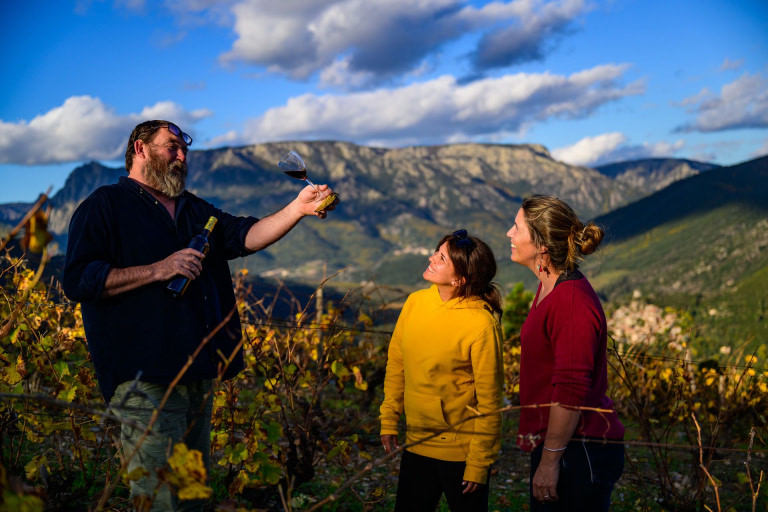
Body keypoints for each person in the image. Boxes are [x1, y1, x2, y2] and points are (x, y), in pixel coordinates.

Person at [62, 120, 338, 512]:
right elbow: (79, 279)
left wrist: (298, 209)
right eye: (172, 146)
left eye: (184, 150)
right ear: (140, 149)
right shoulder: (104, 206)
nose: (182, 156)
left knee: (193, 494)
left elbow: (244, 236)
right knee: (159, 498)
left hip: (197, 373)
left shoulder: (194, 208)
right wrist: (159, 269)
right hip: (145, 378)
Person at [506, 195, 624, 511]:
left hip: (578, 449)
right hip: (561, 444)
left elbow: (571, 391)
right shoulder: (549, 286)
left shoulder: (571, 303)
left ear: (542, 246)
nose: (509, 234)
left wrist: (549, 462)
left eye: (516, 228)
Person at [380, 229, 504, 512]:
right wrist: (389, 418)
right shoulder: (415, 303)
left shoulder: (481, 324)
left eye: (441, 257)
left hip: (461, 455)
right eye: (437, 252)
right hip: (417, 443)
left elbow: (490, 402)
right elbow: (397, 365)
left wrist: (478, 463)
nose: (431, 257)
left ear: (459, 279)